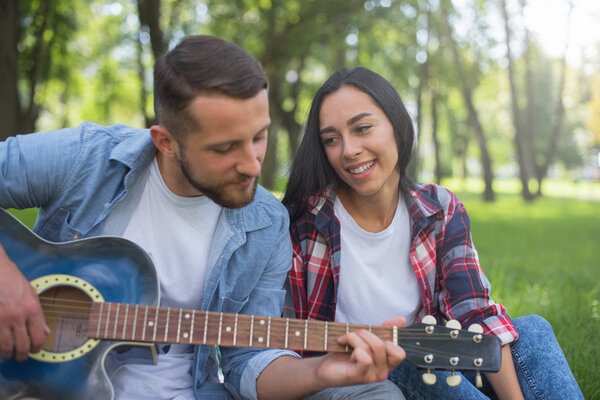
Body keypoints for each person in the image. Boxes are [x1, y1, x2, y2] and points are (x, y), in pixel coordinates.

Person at [0, 37, 406, 399]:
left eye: (259, 136)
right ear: (166, 142)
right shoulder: (88, 158)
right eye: (225, 148)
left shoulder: (266, 223)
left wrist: (320, 371)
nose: (252, 165)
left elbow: (248, 360)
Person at [282, 67, 583, 399]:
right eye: (331, 139)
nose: (349, 149)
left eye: (362, 128)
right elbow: (289, 342)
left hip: (432, 366)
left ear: (397, 126)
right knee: (406, 351)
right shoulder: (305, 221)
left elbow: (474, 313)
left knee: (533, 330)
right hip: (352, 378)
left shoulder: (439, 208)